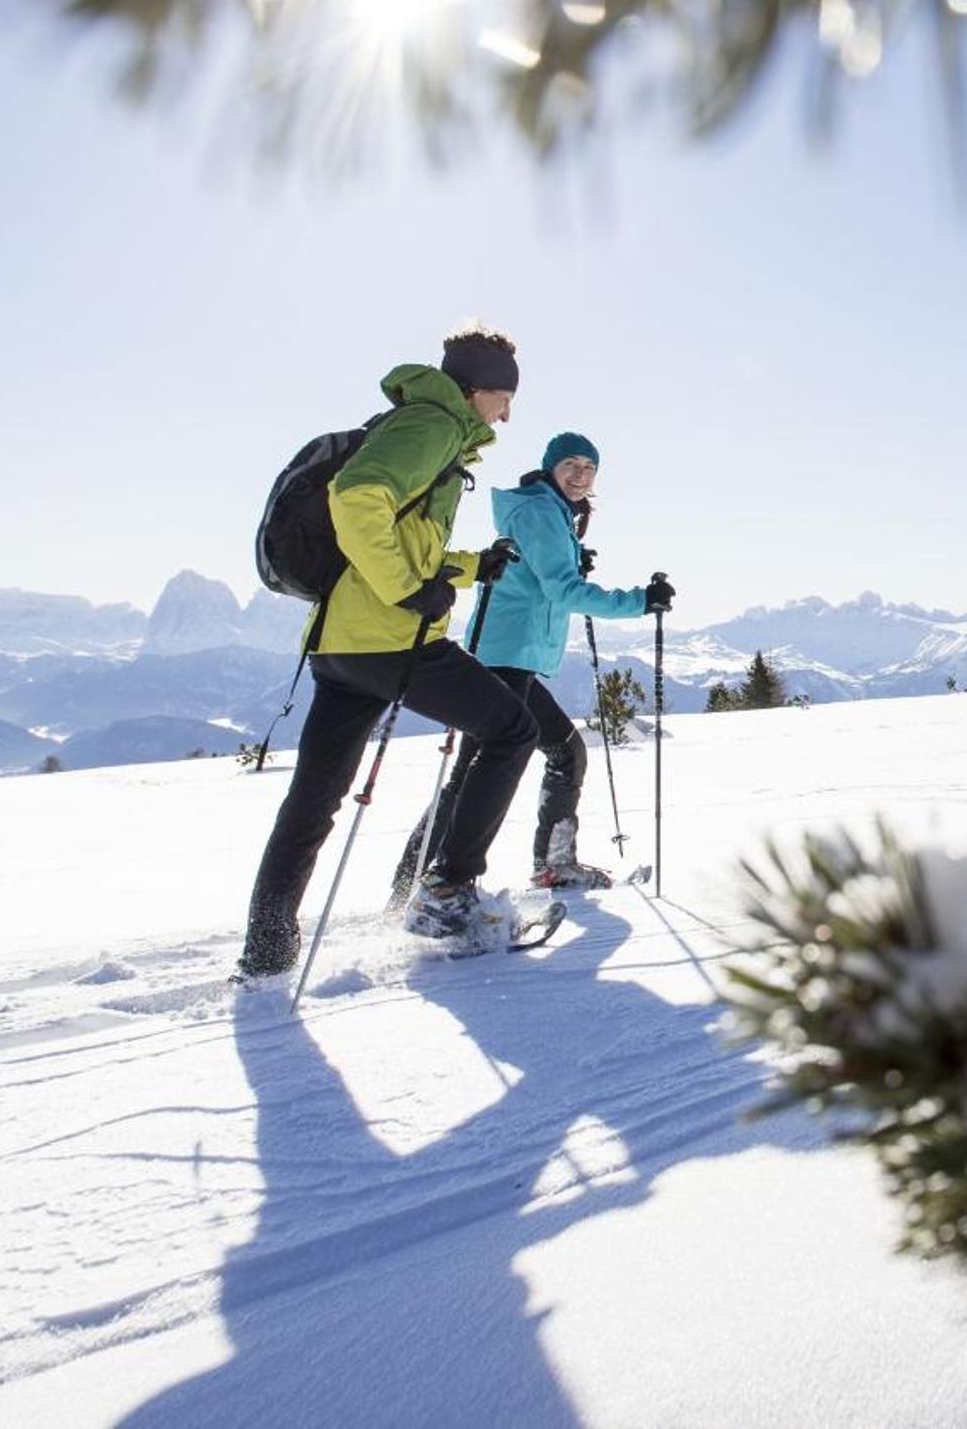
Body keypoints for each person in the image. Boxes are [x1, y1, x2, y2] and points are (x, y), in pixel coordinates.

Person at [235, 328, 543, 980]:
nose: (506, 414)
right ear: (476, 389)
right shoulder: (433, 425)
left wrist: (470, 566)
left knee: (313, 800)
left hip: (342, 642)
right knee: (513, 729)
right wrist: (407, 591)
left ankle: (266, 952)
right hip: (391, 638)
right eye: (504, 397)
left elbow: (402, 539)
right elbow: (356, 499)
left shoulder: (419, 424)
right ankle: (448, 892)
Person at [473, 430, 675, 889]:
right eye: (571, 465)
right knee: (527, 760)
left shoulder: (549, 511)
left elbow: (542, 575)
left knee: (541, 756)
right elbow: (563, 591)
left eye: (589, 468)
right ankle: (444, 880)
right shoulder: (543, 513)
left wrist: (570, 557)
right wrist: (640, 601)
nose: (581, 475)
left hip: (508, 653)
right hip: (506, 655)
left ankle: (433, 880)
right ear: (552, 468)